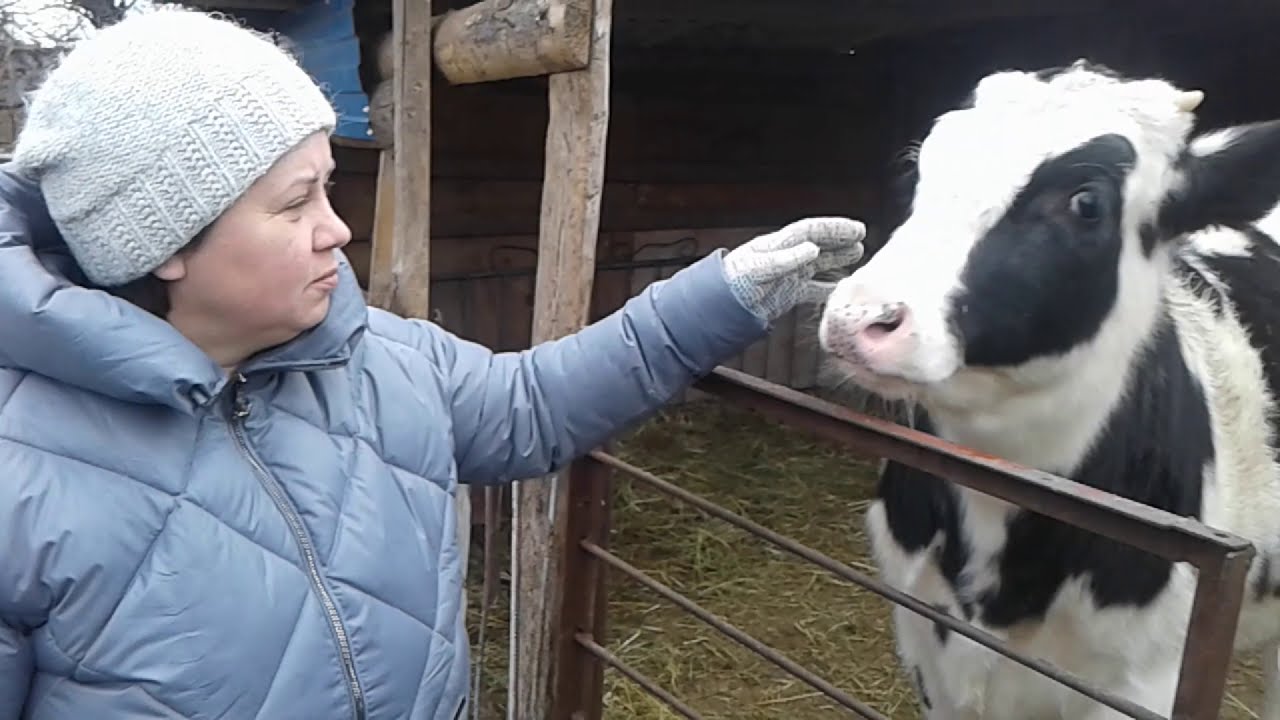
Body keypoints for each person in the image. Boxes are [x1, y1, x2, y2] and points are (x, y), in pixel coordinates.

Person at [0, 7, 866, 720]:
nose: (336, 230)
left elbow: (530, 406)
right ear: (165, 245)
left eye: (328, 186)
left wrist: (718, 298)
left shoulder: (379, 358)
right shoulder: (20, 479)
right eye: (296, 201)